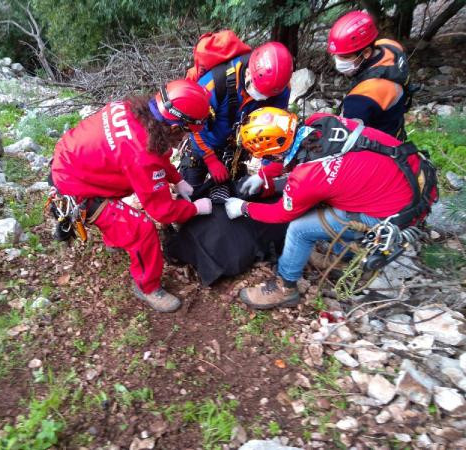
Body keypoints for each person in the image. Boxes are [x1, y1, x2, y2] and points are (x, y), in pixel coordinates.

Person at [224, 108, 437, 310]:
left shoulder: (307, 179)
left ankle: (285, 287)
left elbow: (281, 213)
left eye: (266, 158)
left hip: (397, 214)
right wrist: (264, 175)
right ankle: (340, 254)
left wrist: (244, 207)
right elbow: (292, 152)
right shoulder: (320, 121)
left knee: (299, 229)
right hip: (416, 178)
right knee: (330, 196)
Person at [50, 80, 214, 313]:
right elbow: (162, 210)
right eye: (186, 130)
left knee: (121, 207)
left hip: (73, 161)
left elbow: (156, 152)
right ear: (176, 127)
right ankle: (147, 287)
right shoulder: (143, 154)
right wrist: (197, 208)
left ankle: (116, 238)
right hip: (76, 186)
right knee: (142, 229)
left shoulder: (134, 110)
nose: (184, 137)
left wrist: (177, 179)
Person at [180, 42, 293, 189]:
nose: (262, 98)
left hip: (235, 147)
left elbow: (274, 131)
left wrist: (265, 172)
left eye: (267, 95)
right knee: (191, 190)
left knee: (234, 191)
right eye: (259, 91)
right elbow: (193, 126)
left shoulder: (279, 89)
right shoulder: (213, 85)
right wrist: (210, 159)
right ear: (248, 73)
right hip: (203, 143)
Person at [327, 10, 413, 139]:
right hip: (395, 129)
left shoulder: (361, 98)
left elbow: (346, 138)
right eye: (336, 56)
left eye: (345, 57)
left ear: (366, 52)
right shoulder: (390, 46)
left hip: (380, 148)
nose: (338, 62)